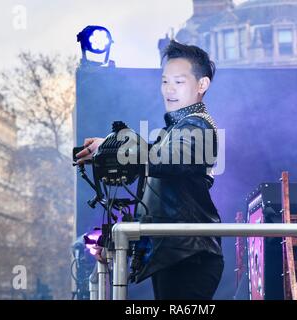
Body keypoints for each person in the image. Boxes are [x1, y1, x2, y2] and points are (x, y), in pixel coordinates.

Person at [76, 40, 224, 300]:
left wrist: (110, 147)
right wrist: (116, 245)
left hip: (190, 258)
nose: (169, 89)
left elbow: (169, 159)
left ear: (202, 85)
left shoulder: (198, 126)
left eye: (179, 82)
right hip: (179, 256)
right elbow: (156, 208)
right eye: (165, 81)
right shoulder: (173, 131)